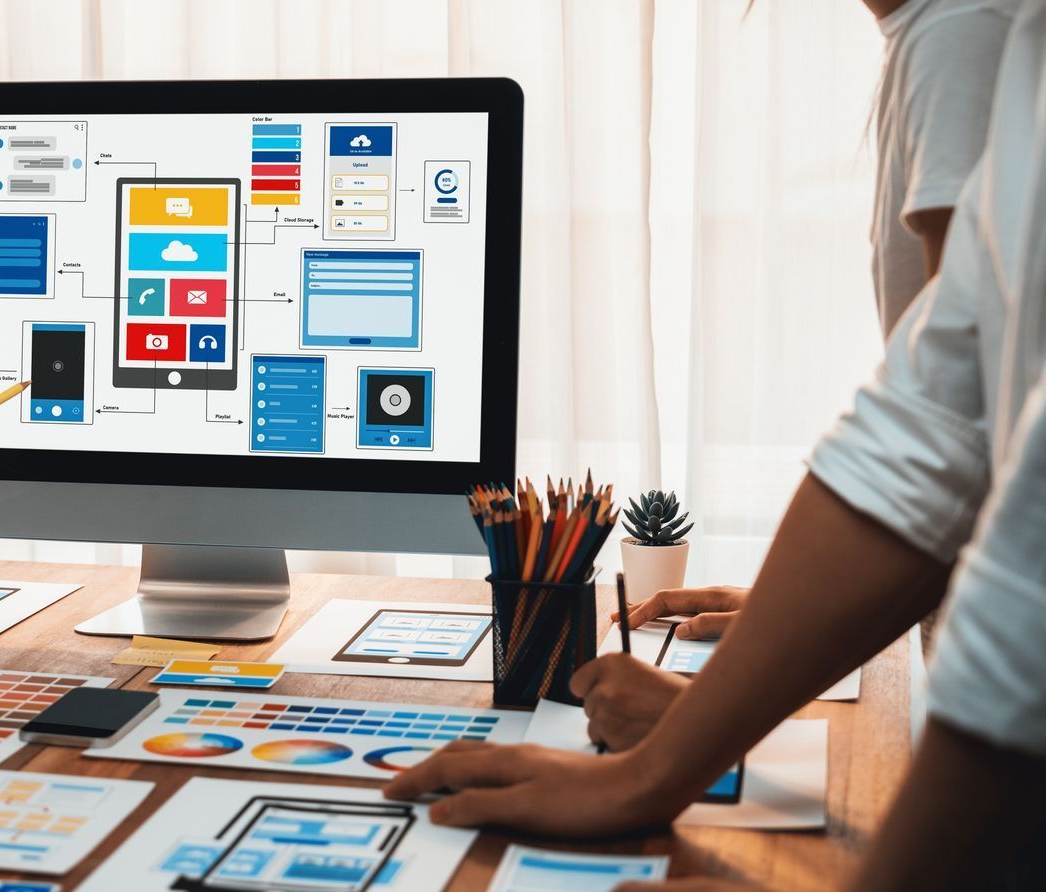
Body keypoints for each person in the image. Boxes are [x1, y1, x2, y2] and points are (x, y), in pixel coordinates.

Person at [383, 1, 1046, 886]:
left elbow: (977, 465)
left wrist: (653, 772)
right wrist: (767, 653)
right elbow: (941, 418)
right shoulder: (952, 24)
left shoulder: (972, 24)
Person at [579, 0, 1015, 753]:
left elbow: (954, 437)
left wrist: (683, 740)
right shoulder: (935, 30)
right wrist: (791, 616)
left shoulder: (963, 31)